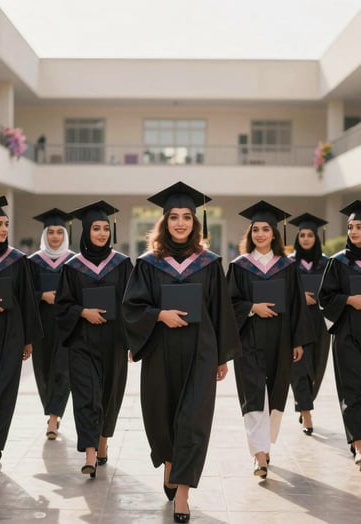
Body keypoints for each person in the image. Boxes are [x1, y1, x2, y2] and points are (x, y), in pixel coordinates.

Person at [122, 181, 241, 523]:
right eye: (173, 217)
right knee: (161, 416)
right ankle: (170, 463)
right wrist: (159, 315)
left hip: (200, 352)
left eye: (186, 217)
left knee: (193, 421)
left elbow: (220, 311)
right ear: (164, 222)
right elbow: (132, 305)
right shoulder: (147, 264)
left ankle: (183, 495)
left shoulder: (208, 263)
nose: (180, 223)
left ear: (195, 222)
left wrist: (221, 357)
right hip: (160, 350)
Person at [226, 200, 313, 479]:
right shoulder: (239, 266)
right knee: (252, 395)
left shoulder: (288, 267)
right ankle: (259, 456)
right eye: (255, 230)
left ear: (275, 234)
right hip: (248, 338)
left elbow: (298, 305)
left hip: (281, 339)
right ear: (250, 234)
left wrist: (298, 341)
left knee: (276, 396)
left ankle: (264, 444)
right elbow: (230, 303)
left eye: (265, 229)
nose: (260, 234)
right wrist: (253, 307)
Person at [55, 200, 133, 478]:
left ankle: (102, 443)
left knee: (109, 395)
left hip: (114, 341)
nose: (101, 233)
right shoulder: (73, 267)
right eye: (95, 228)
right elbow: (62, 306)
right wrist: (81, 311)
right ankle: (89, 454)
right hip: (82, 341)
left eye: (104, 228)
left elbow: (132, 304)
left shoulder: (122, 265)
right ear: (86, 231)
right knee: (86, 395)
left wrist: (133, 341)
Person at [0, 196, 42, 477]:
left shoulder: (17, 260)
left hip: (10, 331)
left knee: (4, 391)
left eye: (6, 224)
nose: (3, 229)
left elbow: (27, 299)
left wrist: (28, 338)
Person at [318, 199, 361, 467]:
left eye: (359, 226)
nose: (354, 231)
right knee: (352, 389)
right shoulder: (338, 262)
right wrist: (348, 300)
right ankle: (358, 444)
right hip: (347, 334)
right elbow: (325, 297)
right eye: (350, 227)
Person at [28, 208, 75, 440]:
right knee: (43, 370)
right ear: (45, 234)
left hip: (67, 324)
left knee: (62, 369)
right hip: (42, 323)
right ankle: (51, 409)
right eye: (51, 232)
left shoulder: (75, 262)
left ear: (65, 235)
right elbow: (24, 294)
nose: (55, 237)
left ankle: (54, 418)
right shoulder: (33, 262)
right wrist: (42, 296)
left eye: (59, 232)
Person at [288, 213, 330, 435]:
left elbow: (334, 290)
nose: (305, 238)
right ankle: (306, 413)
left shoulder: (326, 263)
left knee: (316, 366)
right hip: (297, 320)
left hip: (320, 320)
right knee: (299, 366)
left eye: (309, 235)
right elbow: (282, 291)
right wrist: (299, 296)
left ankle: (305, 402)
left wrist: (320, 297)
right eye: (302, 235)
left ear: (316, 237)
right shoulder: (289, 263)